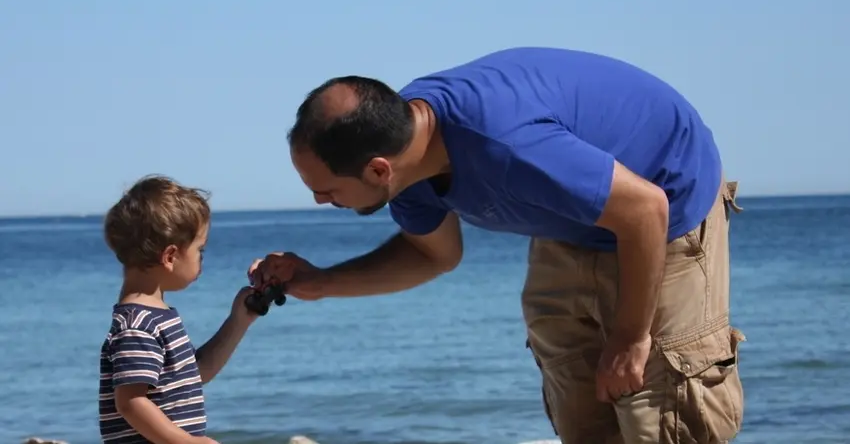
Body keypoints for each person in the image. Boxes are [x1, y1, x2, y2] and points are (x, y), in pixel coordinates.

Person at [252, 47, 747, 444]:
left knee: (657, 416)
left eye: (327, 189)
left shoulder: (508, 146)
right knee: (582, 413)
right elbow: (434, 254)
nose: (319, 200)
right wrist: (320, 283)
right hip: (573, 217)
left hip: (665, 210)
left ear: (379, 168)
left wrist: (631, 337)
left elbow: (644, 209)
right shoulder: (407, 157)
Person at [99, 175, 258, 444]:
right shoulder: (138, 325)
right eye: (200, 250)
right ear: (170, 257)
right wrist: (186, 442)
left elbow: (194, 376)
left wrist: (238, 320)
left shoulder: (155, 316)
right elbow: (131, 402)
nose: (202, 260)